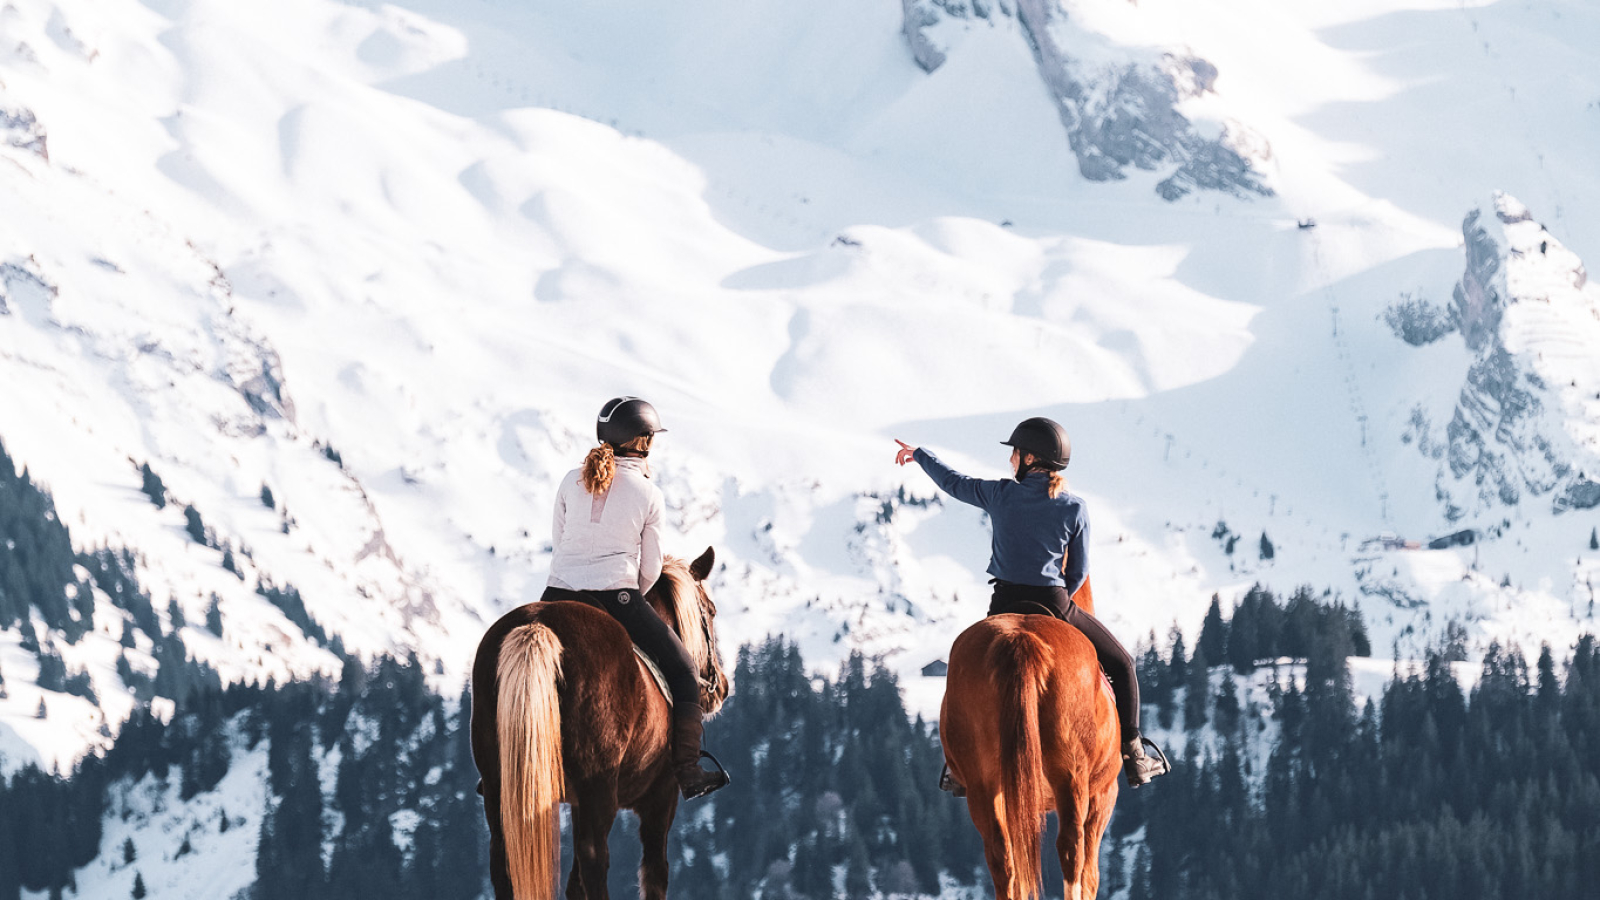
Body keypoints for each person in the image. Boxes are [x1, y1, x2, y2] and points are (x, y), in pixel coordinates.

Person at [895, 417, 1170, 788]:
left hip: (1003, 605)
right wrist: (1059, 600)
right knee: (1122, 664)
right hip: (1054, 604)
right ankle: (1135, 756)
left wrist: (919, 455)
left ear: (1027, 458)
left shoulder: (1000, 494)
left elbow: (953, 482)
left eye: (1013, 453)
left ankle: (959, 768)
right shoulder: (1075, 508)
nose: (1010, 460)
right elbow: (1079, 571)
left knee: (966, 670)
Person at [543, 396, 729, 800]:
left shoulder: (569, 481)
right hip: (616, 598)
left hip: (556, 594)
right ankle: (688, 770)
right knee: (682, 669)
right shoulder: (648, 493)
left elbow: (559, 543)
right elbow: (650, 568)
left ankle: (501, 762)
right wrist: (627, 602)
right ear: (642, 442)